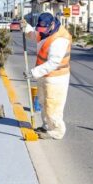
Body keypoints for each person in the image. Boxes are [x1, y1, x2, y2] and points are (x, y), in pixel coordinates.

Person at [23, 12, 72, 140]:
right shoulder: (44, 31)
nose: (41, 31)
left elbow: (53, 63)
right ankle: (46, 126)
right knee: (43, 102)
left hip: (56, 77)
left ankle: (56, 131)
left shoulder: (60, 39)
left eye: (43, 29)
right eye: (40, 28)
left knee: (52, 105)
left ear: (52, 25)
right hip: (43, 75)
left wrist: (33, 73)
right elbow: (34, 35)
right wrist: (26, 27)